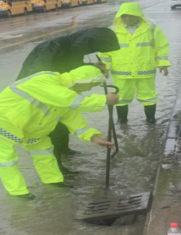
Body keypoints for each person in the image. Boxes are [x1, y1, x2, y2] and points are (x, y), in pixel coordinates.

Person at [0, 65, 118, 200]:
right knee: (6, 160)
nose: (89, 89)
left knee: (44, 151)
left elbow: (75, 121)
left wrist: (94, 137)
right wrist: (104, 99)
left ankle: (53, 181)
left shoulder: (67, 95)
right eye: (91, 85)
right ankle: (18, 192)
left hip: (32, 126)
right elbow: (68, 99)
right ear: (84, 80)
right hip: (1, 121)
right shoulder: (47, 79)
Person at [17, 27, 120, 174]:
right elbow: (40, 75)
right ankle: (56, 167)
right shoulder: (53, 47)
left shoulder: (79, 46)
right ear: (89, 42)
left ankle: (64, 150)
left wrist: (94, 67)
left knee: (65, 119)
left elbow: (76, 65)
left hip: (60, 89)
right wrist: (102, 99)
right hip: (40, 93)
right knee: (52, 127)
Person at [99, 3, 171, 124]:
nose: (127, 19)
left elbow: (161, 46)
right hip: (122, 72)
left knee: (148, 96)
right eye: (124, 16)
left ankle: (150, 119)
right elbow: (105, 52)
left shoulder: (151, 28)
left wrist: (163, 63)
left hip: (145, 70)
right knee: (121, 97)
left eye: (131, 15)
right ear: (120, 16)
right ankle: (122, 120)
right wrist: (104, 68)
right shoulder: (113, 31)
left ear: (138, 15)